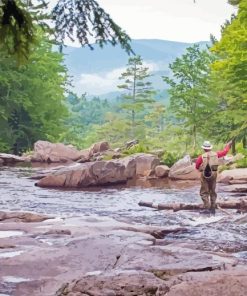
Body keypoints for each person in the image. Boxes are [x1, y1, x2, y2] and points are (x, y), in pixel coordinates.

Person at [195, 140, 232, 214]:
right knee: (213, 191)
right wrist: (228, 145)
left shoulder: (201, 157)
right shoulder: (216, 154)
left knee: (204, 192)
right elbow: (225, 152)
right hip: (214, 174)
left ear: (204, 149)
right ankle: (213, 208)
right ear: (210, 148)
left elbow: (197, 166)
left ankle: (206, 208)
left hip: (205, 175)